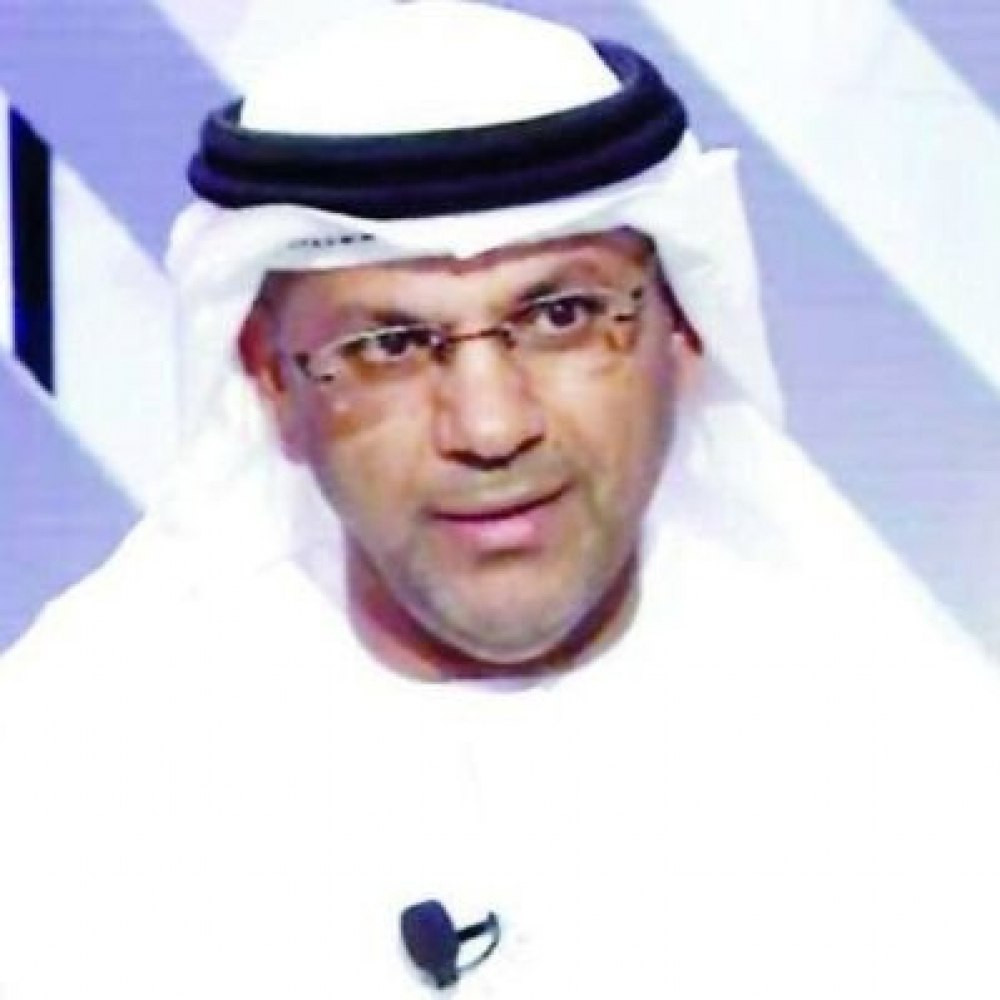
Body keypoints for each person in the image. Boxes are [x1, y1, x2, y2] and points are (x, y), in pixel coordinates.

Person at [1, 3, 999, 998]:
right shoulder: (71, 788)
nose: (489, 426)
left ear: (685, 331)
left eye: (562, 316)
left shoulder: (913, 775)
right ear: (271, 379)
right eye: (387, 345)